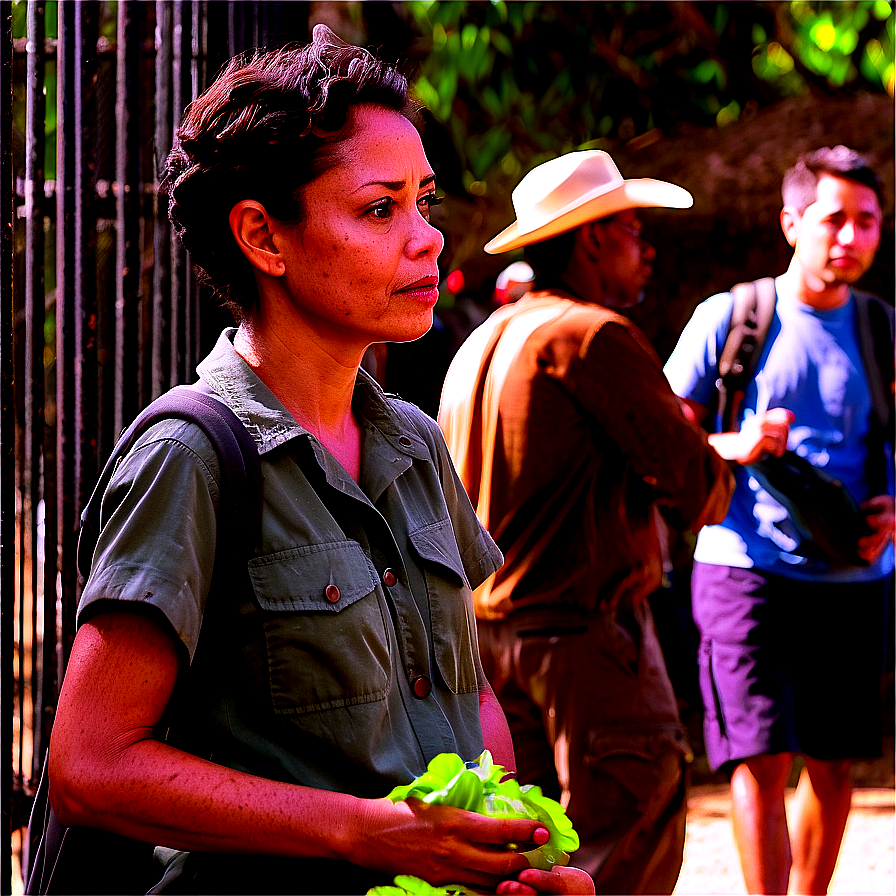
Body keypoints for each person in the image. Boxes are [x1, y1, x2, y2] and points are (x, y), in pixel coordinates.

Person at [46, 27, 594, 896]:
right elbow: (91, 765)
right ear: (264, 238)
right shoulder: (190, 455)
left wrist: (513, 860)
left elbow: (469, 696)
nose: (427, 240)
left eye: (425, 201)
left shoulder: (414, 442)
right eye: (381, 209)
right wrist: (367, 835)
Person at [437, 149, 735, 895]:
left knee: (522, 860)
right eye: (635, 229)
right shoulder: (593, 336)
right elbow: (701, 491)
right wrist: (716, 452)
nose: (648, 249)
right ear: (594, 238)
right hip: (587, 643)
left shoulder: (480, 342)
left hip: (486, 647)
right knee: (624, 845)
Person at [663, 145, 895, 895]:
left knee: (832, 764)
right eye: (834, 219)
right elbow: (662, 437)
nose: (850, 237)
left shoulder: (883, 330)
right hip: (742, 562)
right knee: (758, 757)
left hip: (854, 572)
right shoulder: (732, 318)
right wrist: (731, 444)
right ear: (792, 221)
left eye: (867, 222)